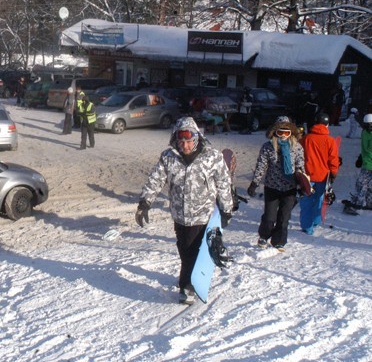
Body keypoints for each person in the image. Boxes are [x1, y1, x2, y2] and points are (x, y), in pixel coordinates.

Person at [135, 117, 233, 304]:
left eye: (189, 141)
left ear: (196, 139)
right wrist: (144, 203)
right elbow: (156, 179)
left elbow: (223, 183)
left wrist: (226, 209)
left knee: (193, 250)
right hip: (179, 215)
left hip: (202, 215)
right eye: (182, 142)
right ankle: (188, 275)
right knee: (184, 248)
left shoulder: (212, 157)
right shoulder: (169, 157)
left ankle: (187, 287)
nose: (185, 146)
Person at [247, 116, 305, 251]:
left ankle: (279, 240)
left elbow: (300, 167)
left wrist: (302, 184)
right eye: (280, 132)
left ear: (291, 133)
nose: (283, 136)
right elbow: (261, 166)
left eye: (287, 132)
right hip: (272, 187)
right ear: (274, 132)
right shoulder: (268, 147)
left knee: (284, 218)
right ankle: (264, 236)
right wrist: (254, 183)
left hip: (289, 188)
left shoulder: (297, 148)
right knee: (269, 217)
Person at [299, 112, 340, 235]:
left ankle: (307, 227)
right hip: (323, 177)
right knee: (319, 200)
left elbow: (298, 156)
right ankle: (315, 221)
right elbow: (333, 160)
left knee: (306, 201)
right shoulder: (330, 141)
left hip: (307, 176)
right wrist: (333, 173)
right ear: (327, 125)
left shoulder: (306, 139)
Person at [343, 113, 372, 214]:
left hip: (369, 164)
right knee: (365, 184)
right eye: (367, 124)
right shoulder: (365, 132)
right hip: (367, 161)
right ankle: (368, 202)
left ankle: (357, 204)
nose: (369, 127)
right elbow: (365, 148)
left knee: (361, 183)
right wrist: (361, 157)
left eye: (370, 124)